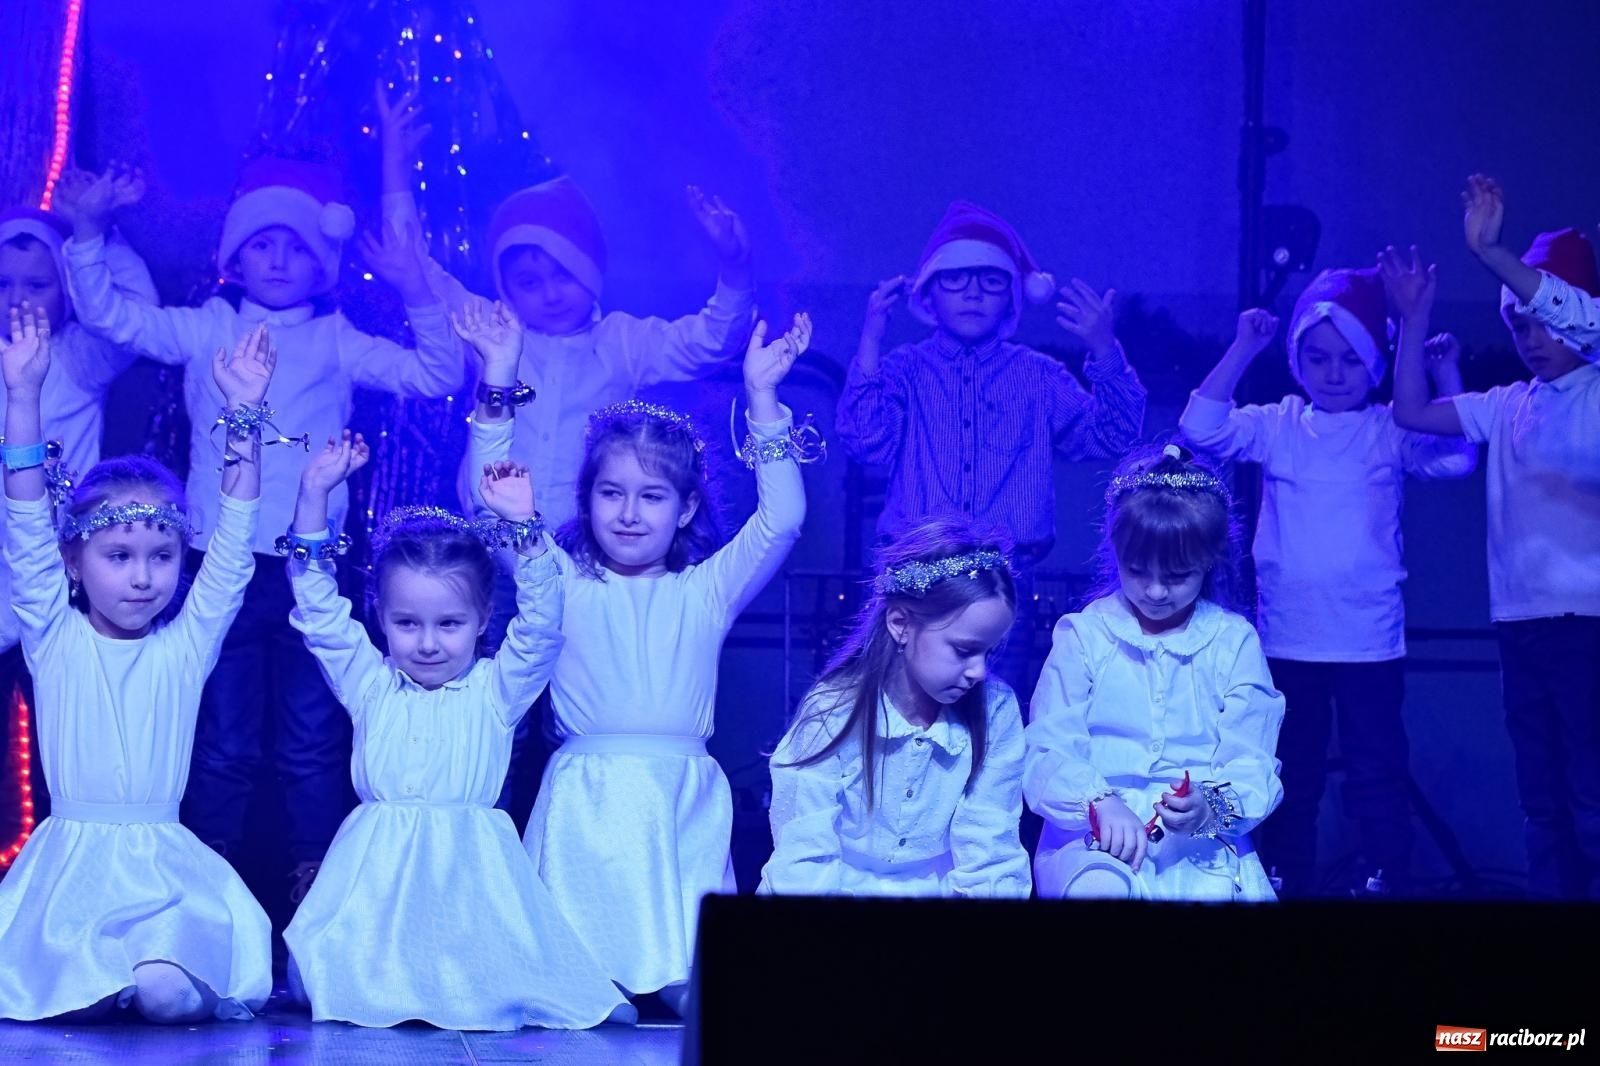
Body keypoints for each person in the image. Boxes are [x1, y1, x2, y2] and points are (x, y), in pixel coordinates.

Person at [61, 157, 465, 900]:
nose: (280, 261)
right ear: (234, 257)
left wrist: (414, 288)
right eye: (263, 244)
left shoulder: (338, 339)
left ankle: (312, 904)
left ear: (325, 264)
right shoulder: (208, 328)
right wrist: (87, 233)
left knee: (314, 746)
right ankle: (201, 899)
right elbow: (113, 318)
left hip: (311, 569)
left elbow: (436, 375)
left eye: (299, 247)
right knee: (220, 743)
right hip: (220, 568)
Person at [470, 312, 812, 1015]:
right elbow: (488, 497)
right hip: (586, 801)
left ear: (686, 509)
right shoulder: (556, 577)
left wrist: (763, 400)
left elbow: (780, 521)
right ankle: (590, 980)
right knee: (586, 990)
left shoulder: (705, 591)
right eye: (611, 493)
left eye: (652, 496)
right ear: (586, 499)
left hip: (680, 798)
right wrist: (498, 379)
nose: (629, 513)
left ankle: (676, 975)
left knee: (709, 994)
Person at [279, 420, 630, 1029]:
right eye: (408, 623)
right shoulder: (370, 684)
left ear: (481, 617)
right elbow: (316, 608)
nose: (429, 643)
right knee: (330, 982)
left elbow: (544, 621)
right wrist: (314, 496)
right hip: (377, 880)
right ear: (382, 618)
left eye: (449, 624)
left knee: (486, 984)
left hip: (471, 880)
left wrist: (525, 529)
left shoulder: (496, 690)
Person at [0, 312, 275, 1021]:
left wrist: (241, 414)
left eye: (161, 557)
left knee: (166, 994)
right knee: (69, 1001)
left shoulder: (183, 648)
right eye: (118, 557)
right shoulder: (55, 640)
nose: (143, 577)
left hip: (161, 871)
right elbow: (26, 523)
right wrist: (22, 396)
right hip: (70, 873)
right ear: (75, 563)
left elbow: (235, 543)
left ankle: (144, 978)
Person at [1179, 293, 1476, 896]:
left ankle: (1382, 882)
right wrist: (1244, 345)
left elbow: (1457, 460)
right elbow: (1199, 427)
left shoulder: (1390, 426)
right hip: (1290, 638)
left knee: (1377, 775)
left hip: (1369, 642)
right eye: (1318, 359)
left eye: (1350, 360)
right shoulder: (1279, 423)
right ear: (1297, 361)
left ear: (1375, 364)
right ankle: (1286, 881)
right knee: (1291, 772)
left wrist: (1446, 374)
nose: (1334, 373)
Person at [1386, 178, 1600, 899]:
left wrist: (1492, 252)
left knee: (1591, 803)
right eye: (1517, 326)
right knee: (1541, 805)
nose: (1532, 338)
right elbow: (1412, 410)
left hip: (1590, 629)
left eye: (1543, 320)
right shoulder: (1509, 405)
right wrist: (1414, 320)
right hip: (1521, 627)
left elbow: (1576, 314)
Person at [836, 199, 1146, 696]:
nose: (974, 293)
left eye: (992, 280)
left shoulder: (1038, 375)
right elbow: (863, 441)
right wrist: (871, 341)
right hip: (915, 569)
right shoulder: (904, 370)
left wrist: (1104, 347)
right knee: (897, 704)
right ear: (929, 294)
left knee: (993, 706)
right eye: (956, 279)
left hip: (1008, 572)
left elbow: (1112, 434)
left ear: (1013, 297)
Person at [1024, 445, 1285, 901]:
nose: (1156, 590)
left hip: (1197, 841)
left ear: (1208, 560)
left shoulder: (1232, 641)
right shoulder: (1085, 635)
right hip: (1093, 836)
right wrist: (1097, 800)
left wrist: (1211, 805)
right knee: (1101, 889)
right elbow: (1047, 745)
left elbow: (1251, 758)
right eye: (1138, 571)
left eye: (1178, 575)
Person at [759, 516, 1030, 898]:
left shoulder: (995, 711)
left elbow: (989, 843)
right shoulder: (834, 709)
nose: (978, 671)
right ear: (901, 623)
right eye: (965, 650)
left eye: (990, 651)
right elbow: (805, 848)